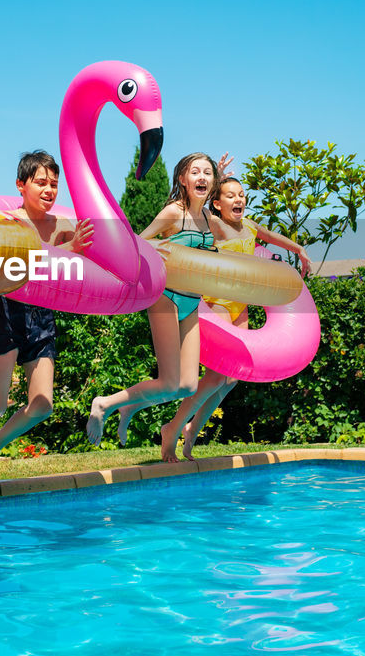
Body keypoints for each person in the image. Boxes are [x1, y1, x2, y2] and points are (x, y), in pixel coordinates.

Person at [0, 151, 93, 492]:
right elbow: (20, 263)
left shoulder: (60, 226)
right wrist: (66, 250)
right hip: (8, 313)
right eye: (41, 183)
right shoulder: (9, 222)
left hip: (42, 316)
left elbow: (84, 256)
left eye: (54, 184)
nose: (49, 190)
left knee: (43, 404)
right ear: (21, 185)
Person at [159, 176, 311, 461]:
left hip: (240, 307)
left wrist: (297, 249)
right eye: (230, 196)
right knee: (217, 375)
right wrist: (214, 175)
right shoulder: (216, 225)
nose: (238, 199)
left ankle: (192, 430)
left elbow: (270, 236)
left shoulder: (250, 227)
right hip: (217, 304)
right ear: (217, 203)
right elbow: (197, 209)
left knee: (231, 378)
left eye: (241, 195)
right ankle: (174, 428)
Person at [86, 152, 225, 446]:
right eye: (195, 172)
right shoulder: (175, 212)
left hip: (191, 301)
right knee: (168, 381)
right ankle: (104, 403)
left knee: (187, 385)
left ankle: (130, 406)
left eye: (207, 173)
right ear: (182, 180)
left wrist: (221, 176)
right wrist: (156, 243)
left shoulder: (208, 217)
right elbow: (136, 239)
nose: (202, 177)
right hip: (166, 297)